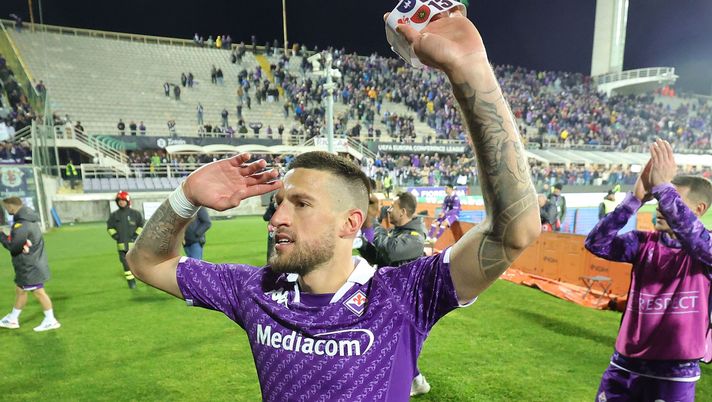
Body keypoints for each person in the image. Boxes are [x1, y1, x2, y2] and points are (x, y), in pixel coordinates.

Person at [127, 9, 539, 400]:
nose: (277, 219)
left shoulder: (402, 297)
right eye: (278, 203)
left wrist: (469, 69)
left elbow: (514, 232)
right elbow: (147, 262)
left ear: (351, 223)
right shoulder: (255, 292)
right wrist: (187, 197)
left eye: (301, 204)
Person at [585, 139, 712, 402]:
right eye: (659, 199)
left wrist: (665, 187)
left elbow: (698, 241)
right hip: (624, 366)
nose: (660, 207)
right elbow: (595, 243)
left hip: (675, 374)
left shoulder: (706, 250)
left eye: (671, 200)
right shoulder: (642, 242)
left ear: (699, 210)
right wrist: (634, 200)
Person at [358, 192, 431, 396]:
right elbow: (382, 256)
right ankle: (417, 381)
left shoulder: (415, 237)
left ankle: (410, 382)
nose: (389, 210)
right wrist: (363, 246)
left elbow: (391, 252)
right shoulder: (400, 232)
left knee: (398, 346)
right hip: (390, 298)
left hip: (408, 303)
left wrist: (377, 226)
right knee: (394, 345)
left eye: (393, 207)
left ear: (404, 211)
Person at [0, 197, 61, 332]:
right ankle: (12, 319)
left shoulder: (22, 225)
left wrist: (1, 236)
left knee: (39, 292)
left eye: (6, 208)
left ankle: (51, 320)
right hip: (31, 263)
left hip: (29, 265)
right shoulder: (28, 220)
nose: (6, 210)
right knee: (20, 290)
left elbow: (14, 247)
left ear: (11, 207)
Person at [107, 191, 144, 289]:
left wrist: (136, 235)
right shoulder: (114, 215)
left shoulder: (135, 214)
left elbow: (141, 225)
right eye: (119, 201)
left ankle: (146, 279)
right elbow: (109, 227)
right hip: (122, 247)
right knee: (126, 266)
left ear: (127, 201)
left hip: (135, 246)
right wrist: (115, 236)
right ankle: (131, 283)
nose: (121, 202)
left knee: (140, 264)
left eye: (123, 200)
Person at [262, 193, 278, 263]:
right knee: (271, 246)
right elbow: (265, 217)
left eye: (276, 198)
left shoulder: (282, 207)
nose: (275, 199)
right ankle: (269, 264)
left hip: (281, 229)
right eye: (274, 198)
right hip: (272, 229)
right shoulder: (271, 207)